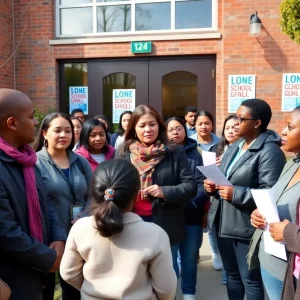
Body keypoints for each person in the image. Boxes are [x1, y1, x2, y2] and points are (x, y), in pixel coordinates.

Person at [60, 159, 177, 300]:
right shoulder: (155, 234)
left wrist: (92, 290)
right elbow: (166, 290)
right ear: (137, 195)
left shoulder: (80, 228)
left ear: (95, 192)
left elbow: (68, 273)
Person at [205, 99, 286, 300]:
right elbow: (225, 179)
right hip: (223, 223)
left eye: (241, 119)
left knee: (250, 280)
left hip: (246, 226)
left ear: (257, 123)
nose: (235, 122)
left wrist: (236, 194)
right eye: (235, 117)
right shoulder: (235, 146)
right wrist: (212, 187)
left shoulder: (270, 151)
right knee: (232, 276)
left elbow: (272, 192)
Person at [0, 89, 66, 300]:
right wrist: (47, 258)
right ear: (12, 123)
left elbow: (45, 201)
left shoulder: (27, 161)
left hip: (39, 274)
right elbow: (5, 232)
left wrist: (58, 237)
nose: (36, 122)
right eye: (31, 117)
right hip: (14, 281)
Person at [118, 105, 197, 276]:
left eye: (152, 124)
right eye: (142, 125)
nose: (148, 129)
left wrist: (165, 191)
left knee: (166, 273)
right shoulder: (124, 153)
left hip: (166, 222)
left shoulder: (175, 152)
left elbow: (190, 186)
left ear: (159, 126)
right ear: (134, 129)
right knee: (137, 273)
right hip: (132, 222)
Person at [33, 112, 93, 300]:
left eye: (68, 131)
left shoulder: (80, 161)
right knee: (47, 290)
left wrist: (85, 214)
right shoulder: (34, 163)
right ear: (44, 133)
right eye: (57, 130)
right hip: (49, 239)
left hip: (80, 236)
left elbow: (93, 194)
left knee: (74, 290)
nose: (64, 135)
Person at [249, 106, 300, 300]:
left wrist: (287, 233)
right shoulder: (292, 163)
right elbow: (277, 196)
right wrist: (259, 213)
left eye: (290, 126)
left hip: (290, 273)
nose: (283, 131)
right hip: (270, 260)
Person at [166, 117, 208, 300]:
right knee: (171, 258)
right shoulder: (161, 153)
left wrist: (190, 204)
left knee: (189, 258)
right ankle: (171, 293)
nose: (175, 132)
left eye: (179, 128)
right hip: (169, 215)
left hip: (192, 214)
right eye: (171, 129)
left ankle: (189, 293)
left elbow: (201, 184)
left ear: (185, 131)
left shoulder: (195, 153)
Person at [190, 111, 223, 271]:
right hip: (196, 187)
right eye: (200, 123)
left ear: (212, 124)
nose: (204, 126)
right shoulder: (189, 142)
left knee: (212, 222)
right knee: (196, 223)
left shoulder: (220, 141)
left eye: (207, 123)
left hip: (214, 187)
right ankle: (193, 253)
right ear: (194, 125)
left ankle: (216, 253)